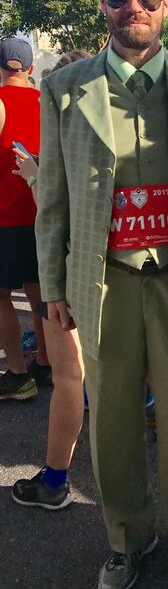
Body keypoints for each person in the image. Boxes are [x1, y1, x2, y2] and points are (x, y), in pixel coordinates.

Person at [35, 0, 168, 589]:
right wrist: (54, 288)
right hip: (104, 281)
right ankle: (125, 539)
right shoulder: (63, 88)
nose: (133, 7)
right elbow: (51, 199)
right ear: (103, 3)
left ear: (166, 4)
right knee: (110, 420)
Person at [11, 49, 91, 510]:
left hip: (66, 271)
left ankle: (56, 479)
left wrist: (32, 176)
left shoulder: (63, 140)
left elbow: (58, 211)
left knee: (68, 377)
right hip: (115, 274)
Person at [0, 37, 50, 401]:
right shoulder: (48, 102)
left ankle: (18, 375)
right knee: (39, 295)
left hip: (5, 215)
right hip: (41, 212)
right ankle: (46, 363)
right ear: (31, 68)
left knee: (1, 298)